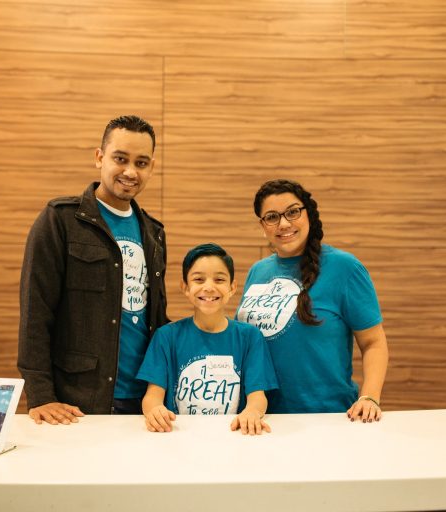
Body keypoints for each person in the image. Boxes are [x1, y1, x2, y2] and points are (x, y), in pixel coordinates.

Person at [18, 115, 168, 424]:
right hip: (76, 401)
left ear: (151, 167)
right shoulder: (60, 220)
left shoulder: (154, 233)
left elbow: (155, 318)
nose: (130, 171)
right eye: (120, 159)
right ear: (99, 157)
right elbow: (36, 312)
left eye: (141, 163)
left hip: (142, 402)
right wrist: (40, 394)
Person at [236, 179, 389, 422]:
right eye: (272, 216)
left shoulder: (345, 268)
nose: (284, 223)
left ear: (309, 214)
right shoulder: (257, 272)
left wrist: (369, 397)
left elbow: (373, 342)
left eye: (293, 212)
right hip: (261, 418)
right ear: (262, 226)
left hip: (327, 417)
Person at [137, 243, 279, 435]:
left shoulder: (250, 337)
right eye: (199, 279)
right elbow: (152, 396)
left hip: (233, 436)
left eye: (219, 279)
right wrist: (154, 410)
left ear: (232, 287)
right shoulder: (166, 337)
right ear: (185, 287)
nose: (209, 287)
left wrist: (252, 412)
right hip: (178, 436)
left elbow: (257, 396)